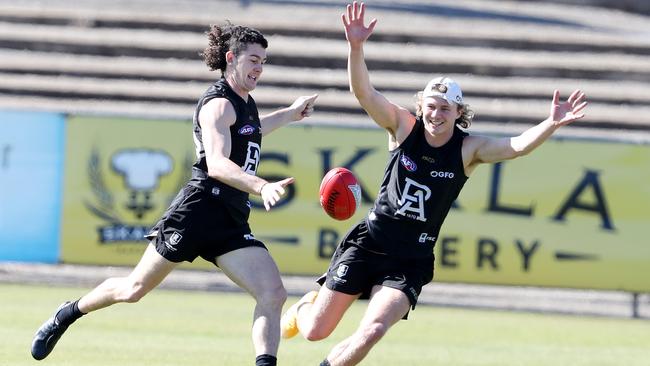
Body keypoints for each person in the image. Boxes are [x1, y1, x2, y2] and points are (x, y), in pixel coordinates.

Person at [280, 2, 588, 366]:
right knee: (316, 330)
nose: (435, 114)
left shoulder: (467, 149)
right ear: (420, 106)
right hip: (370, 243)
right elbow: (364, 93)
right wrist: (357, 48)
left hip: (411, 259)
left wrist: (550, 124)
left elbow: (516, 147)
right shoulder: (403, 127)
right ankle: (304, 305)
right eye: (430, 106)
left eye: (444, 108)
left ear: (459, 112)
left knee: (373, 330)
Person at [31, 23, 318, 366]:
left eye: (263, 61)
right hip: (198, 210)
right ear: (231, 58)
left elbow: (253, 130)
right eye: (253, 60)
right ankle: (68, 312)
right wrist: (262, 185)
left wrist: (290, 113)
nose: (259, 67)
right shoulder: (218, 105)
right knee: (133, 290)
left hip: (229, 216)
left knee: (273, 293)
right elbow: (217, 164)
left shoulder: (245, 103)